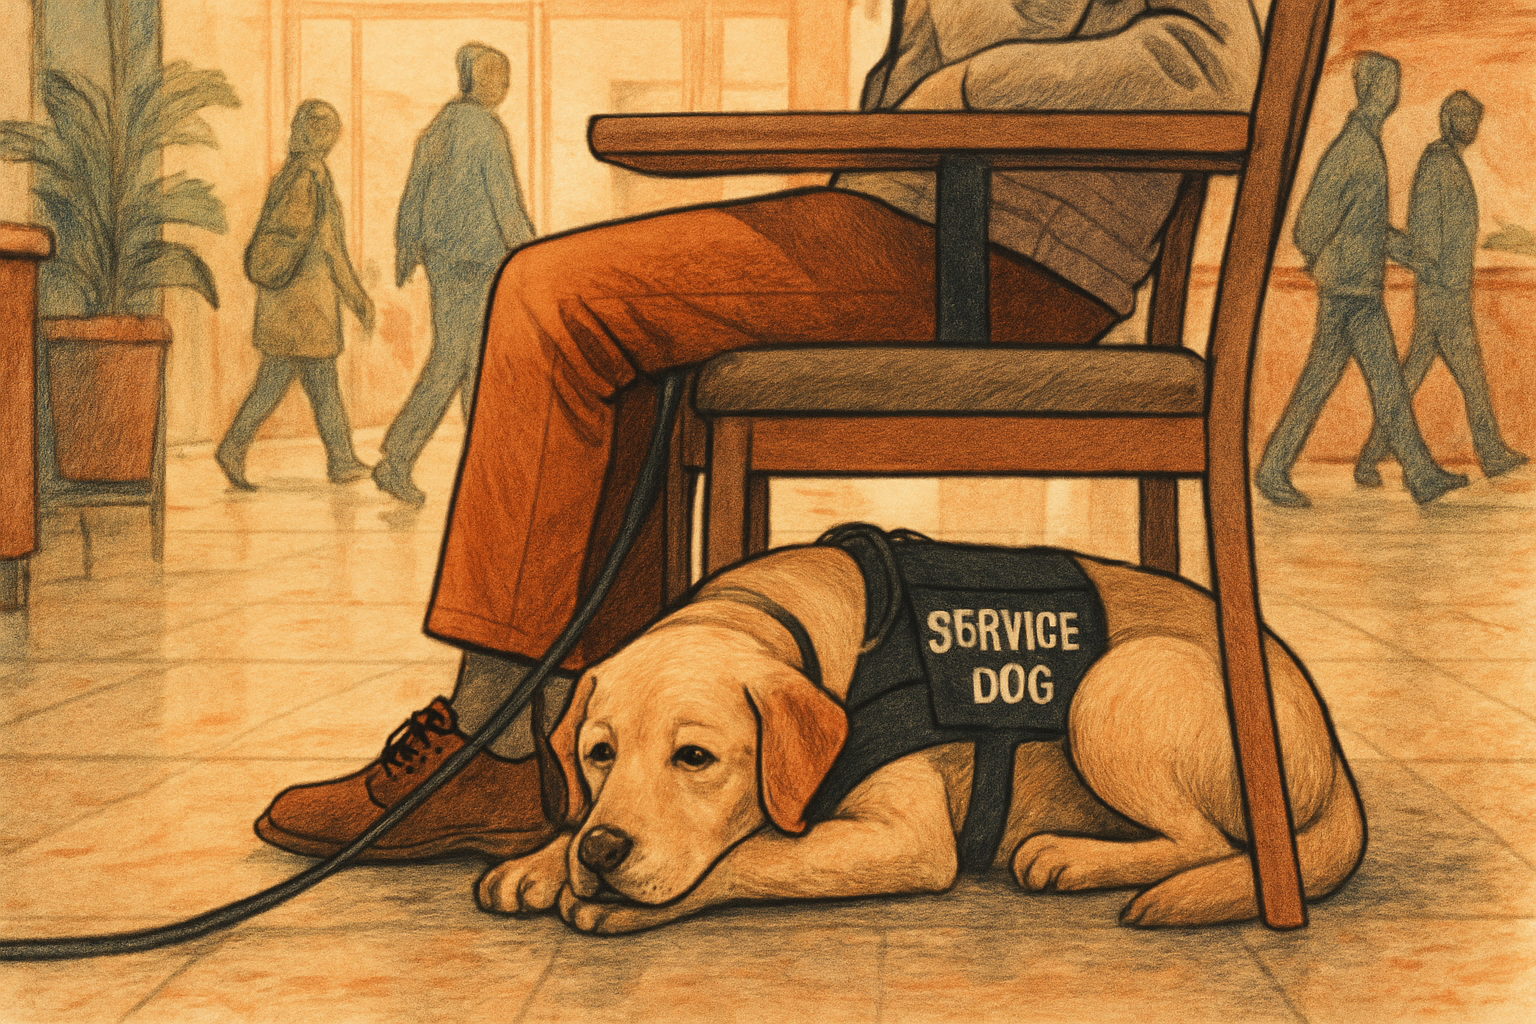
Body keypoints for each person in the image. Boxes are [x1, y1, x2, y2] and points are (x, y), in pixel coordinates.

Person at [253, 0, 1264, 865]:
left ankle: (492, 745)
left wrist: (973, 91)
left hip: (991, 261)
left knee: (553, 298)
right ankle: (573, 747)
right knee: (621, 342)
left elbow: (1208, 65)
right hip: (919, 221)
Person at [1255, 52, 1467, 508]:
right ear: (1374, 90)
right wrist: (1325, 264)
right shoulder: (1353, 148)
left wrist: (1410, 254)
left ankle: (1419, 475)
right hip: (1349, 292)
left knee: (1373, 382)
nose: (1396, 92)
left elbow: (1367, 225)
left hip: (1357, 290)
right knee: (1367, 382)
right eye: (1391, 84)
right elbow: (1308, 225)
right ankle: (1275, 470)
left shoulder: (1366, 145)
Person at [372, 43, 536, 507]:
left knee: (468, 362)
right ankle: (401, 458)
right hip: (481, 263)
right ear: (474, 79)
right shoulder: (487, 130)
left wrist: (408, 247)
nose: (503, 85)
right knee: (459, 361)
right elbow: (506, 204)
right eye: (495, 76)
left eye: (505, 76)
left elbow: (413, 192)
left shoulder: (441, 126)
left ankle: (474, 468)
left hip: (444, 262)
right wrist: (533, 252)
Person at [1354, 90, 1527, 485]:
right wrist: (1433, 271)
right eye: (1469, 120)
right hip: (1443, 294)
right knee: (1467, 377)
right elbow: (1426, 239)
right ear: (1453, 121)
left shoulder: (1446, 163)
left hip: (1445, 291)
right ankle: (1492, 453)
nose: (1474, 128)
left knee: (1410, 378)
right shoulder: (1439, 165)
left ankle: (1368, 459)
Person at [216, 100, 374, 490]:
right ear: (320, 135)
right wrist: (357, 298)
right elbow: (327, 245)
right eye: (329, 132)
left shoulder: (291, 174)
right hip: (305, 305)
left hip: (287, 303)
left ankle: (339, 458)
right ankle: (239, 448)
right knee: (300, 381)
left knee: (305, 382)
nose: (333, 140)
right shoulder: (311, 176)